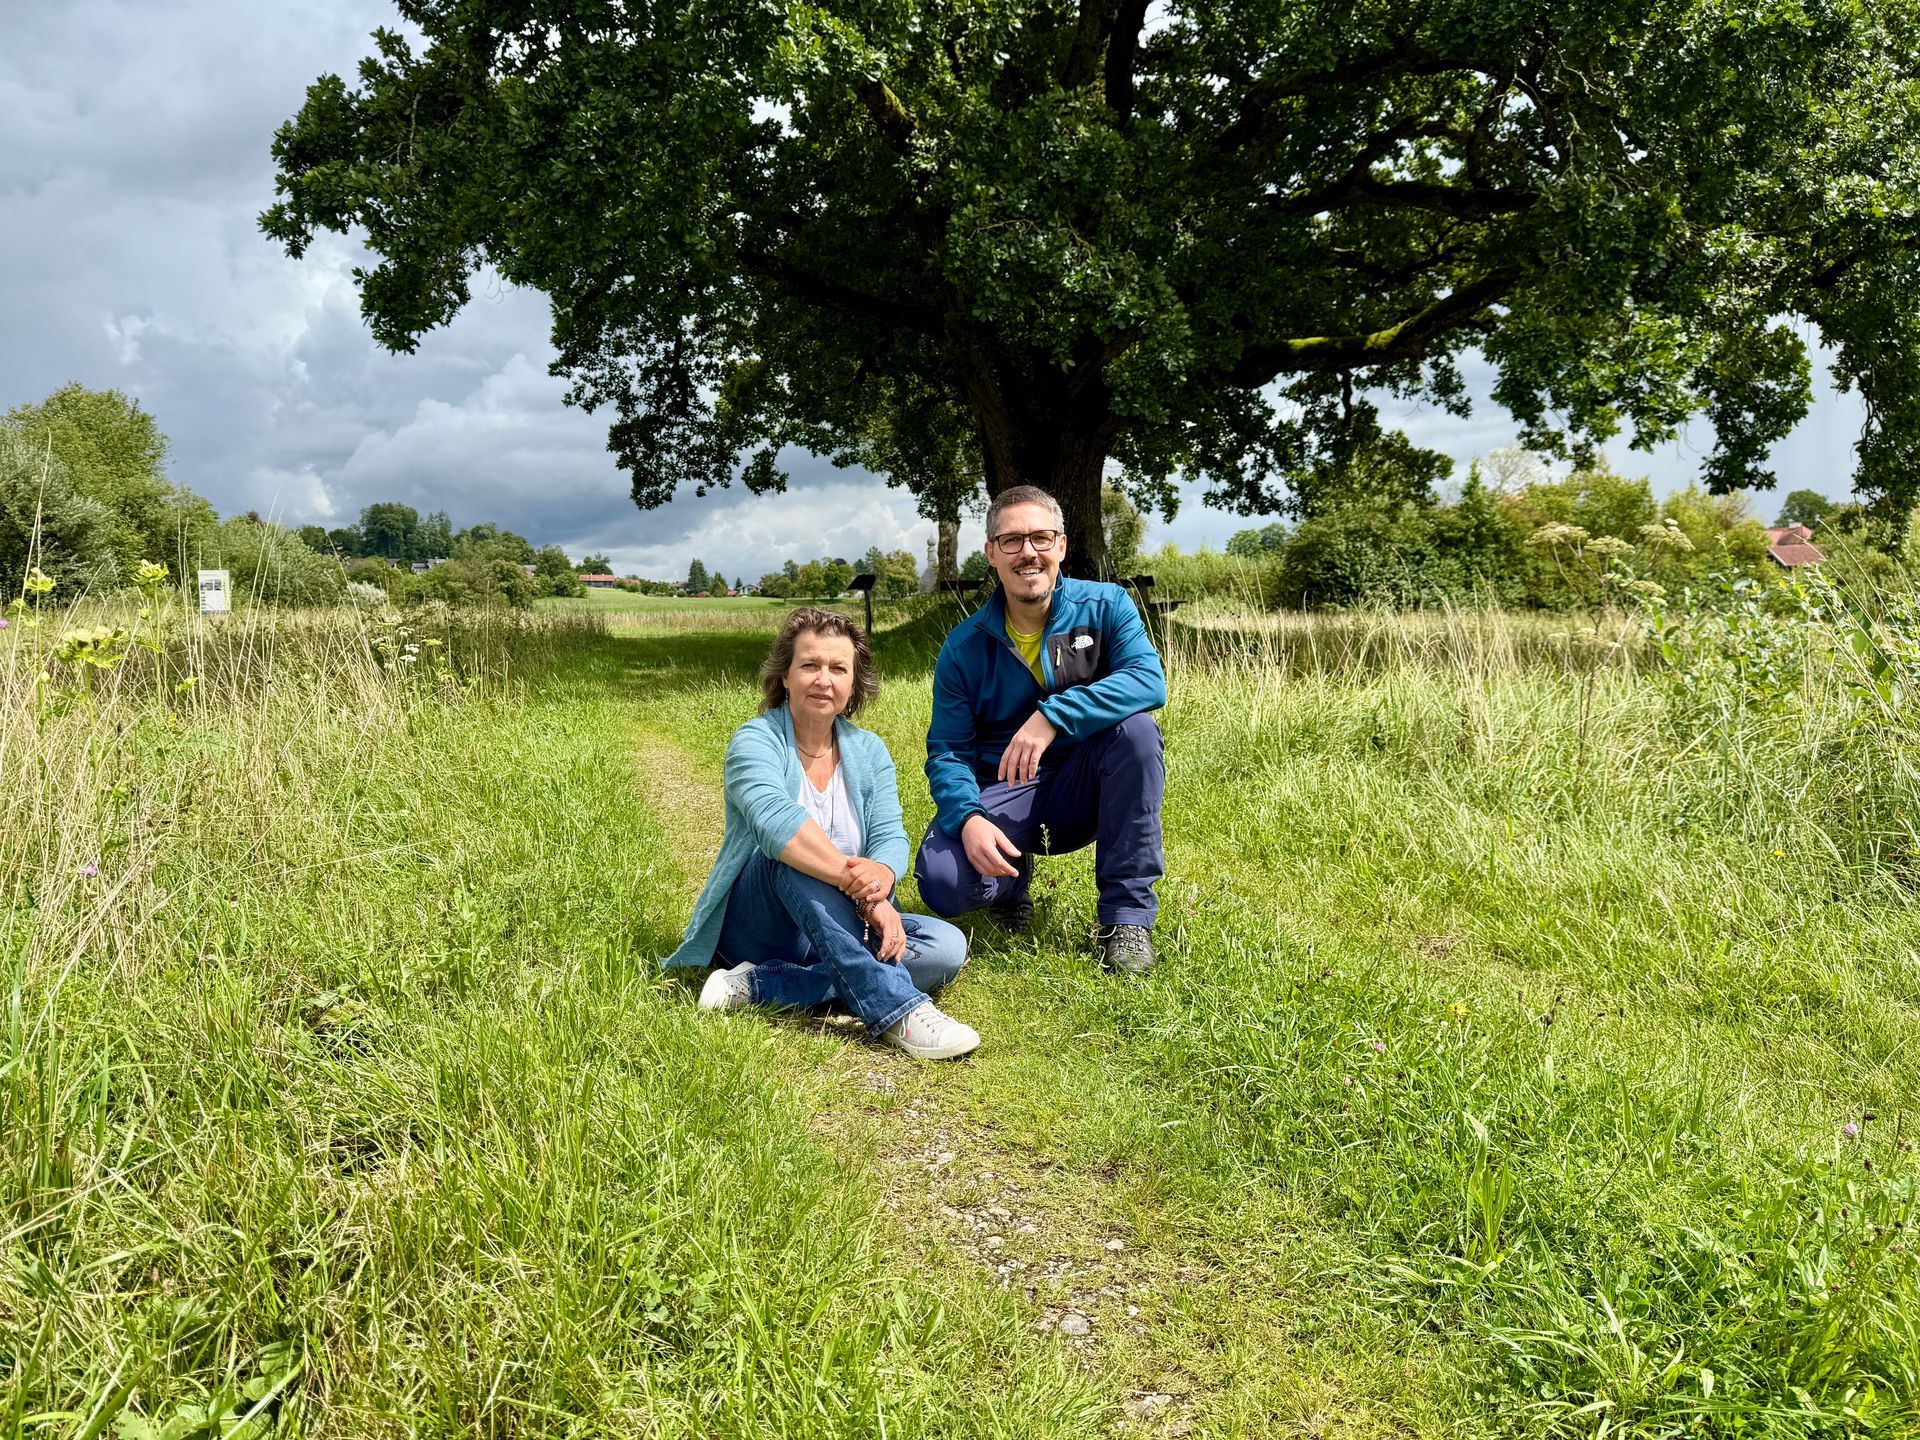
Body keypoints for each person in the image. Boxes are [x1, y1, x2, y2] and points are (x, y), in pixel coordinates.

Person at [662, 607, 980, 1059]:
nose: (823, 679)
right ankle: (900, 1010)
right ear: (785, 676)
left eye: (838, 668)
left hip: (842, 920)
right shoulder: (754, 740)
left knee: (946, 946)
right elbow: (777, 826)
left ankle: (763, 985)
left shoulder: (869, 750)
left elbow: (891, 837)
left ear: (853, 684)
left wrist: (882, 879)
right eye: (809, 665)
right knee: (792, 854)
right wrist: (869, 897)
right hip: (762, 921)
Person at [914, 485, 1168, 974]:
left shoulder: (1107, 606)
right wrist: (968, 818)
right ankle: (1011, 880)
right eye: (1011, 541)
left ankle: (1126, 919)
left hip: (1087, 786)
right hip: (1008, 791)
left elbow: (1147, 680)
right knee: (943, 882)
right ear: (990, 553)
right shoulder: (964, 647)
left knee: (1137, 733)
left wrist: (1054, 715)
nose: (1028, 552)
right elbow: (947, 750)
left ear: (1062, 546)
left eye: (1041, 538)